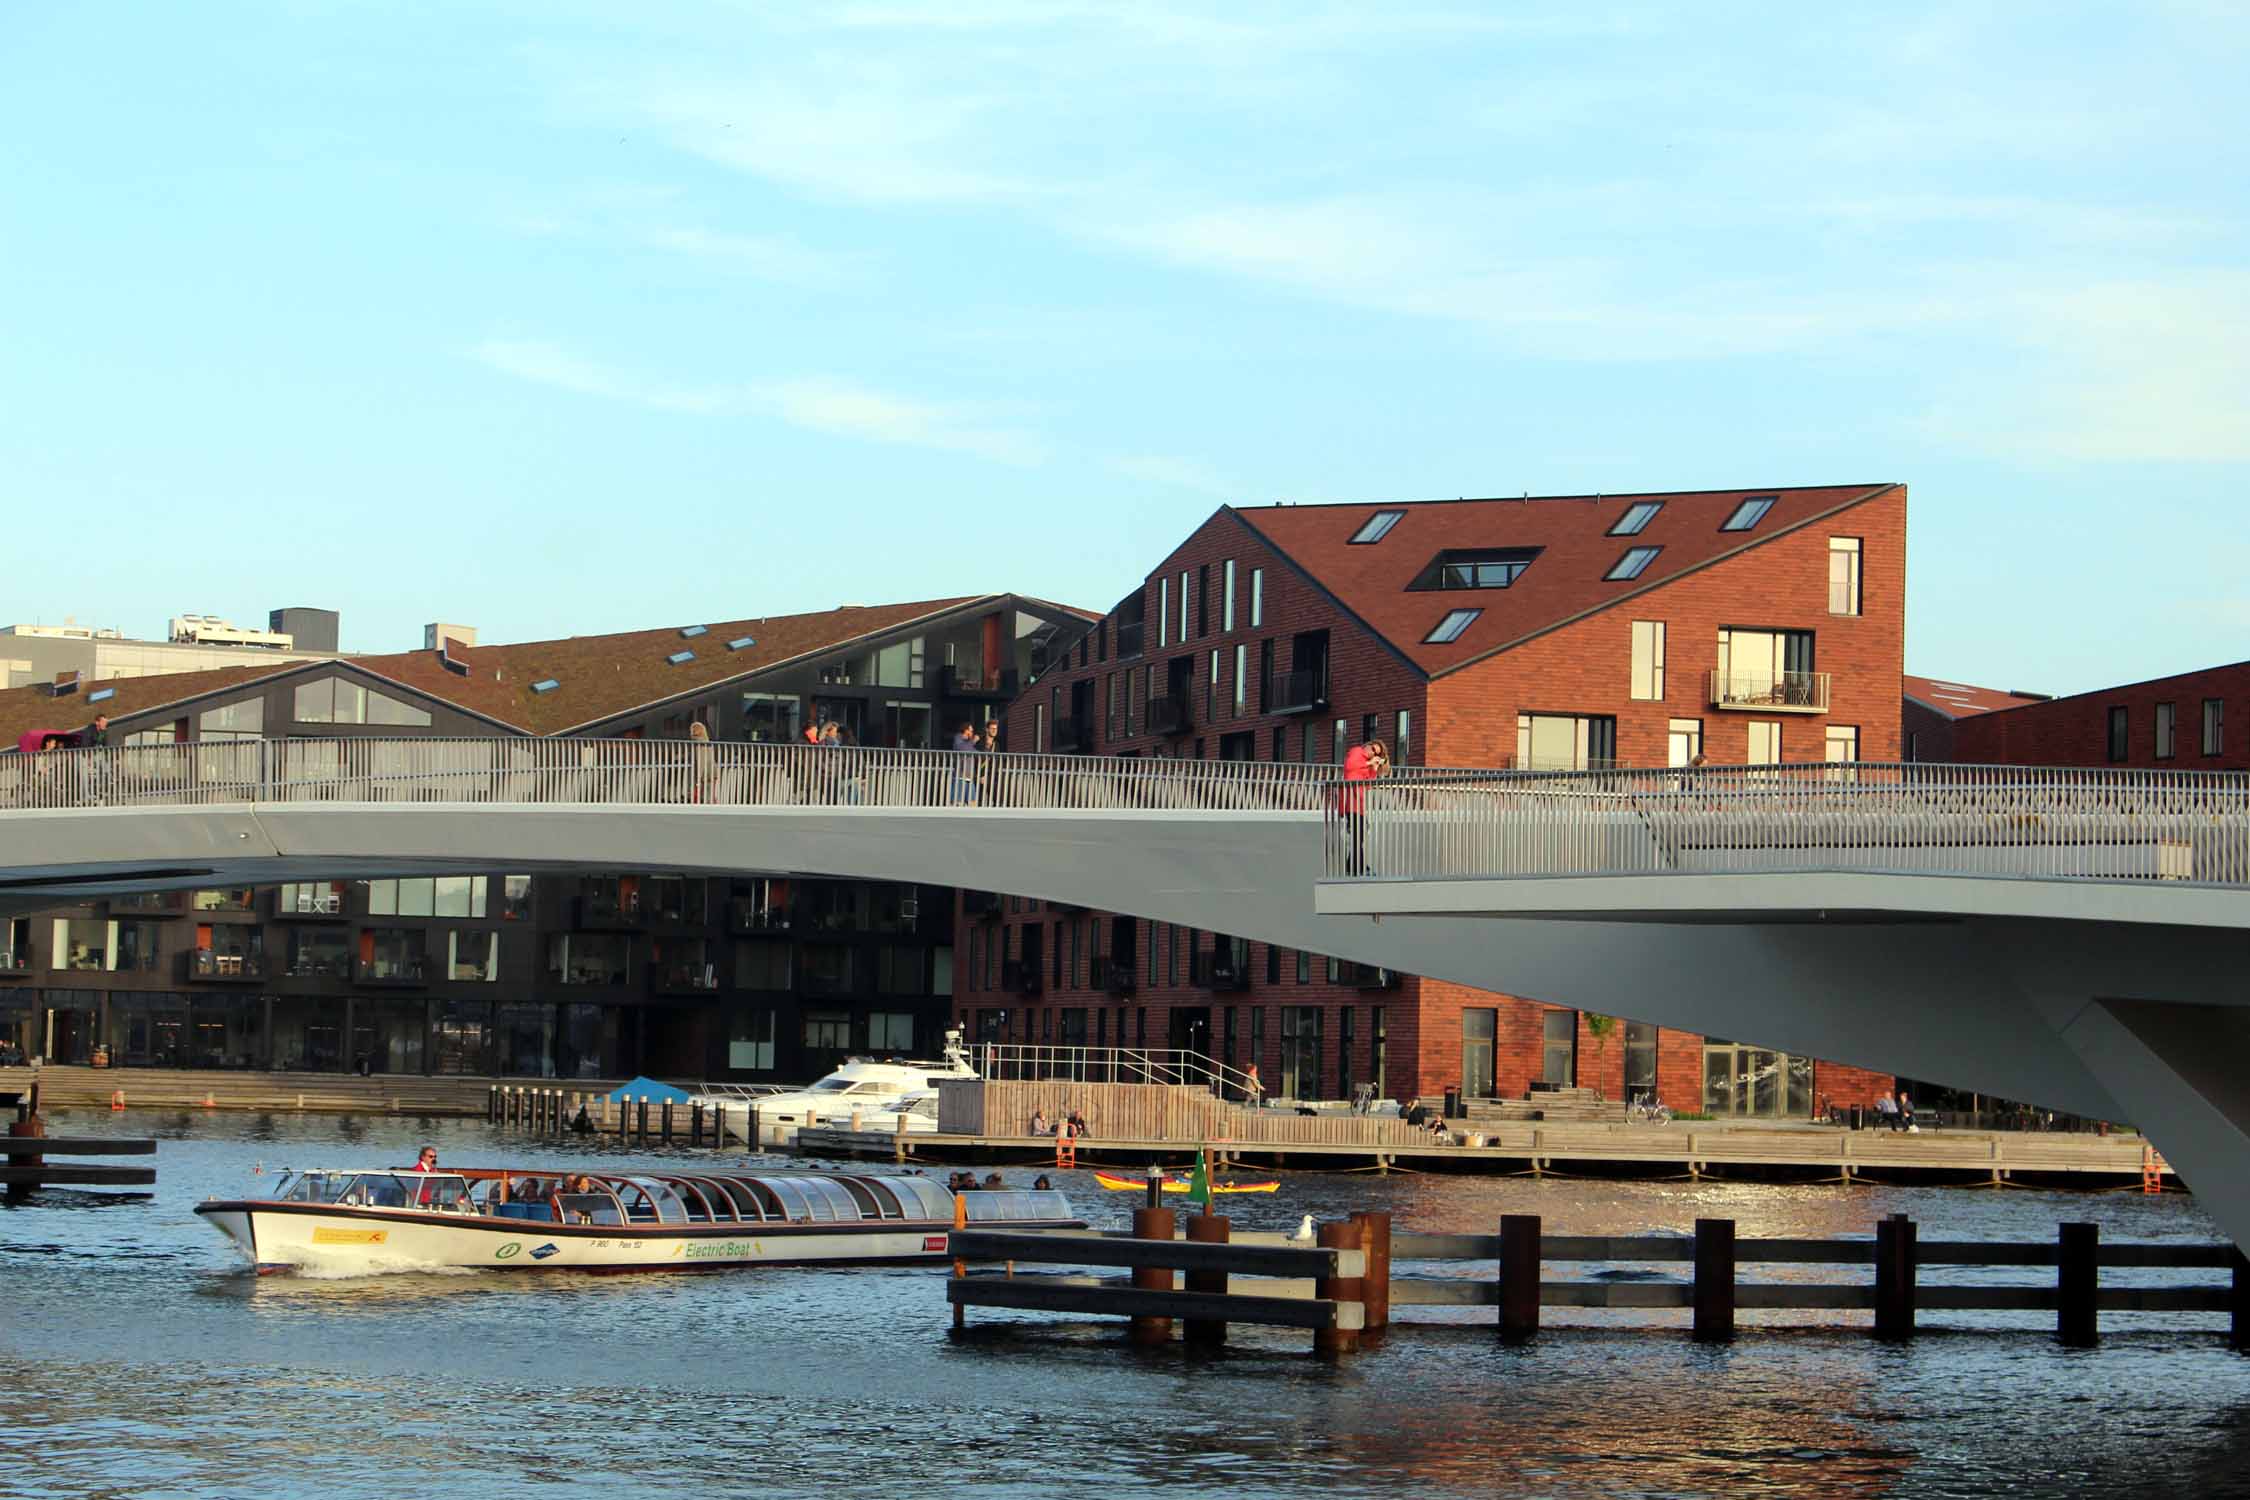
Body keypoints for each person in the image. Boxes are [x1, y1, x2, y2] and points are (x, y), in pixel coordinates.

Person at [1338, 737, 1387, 875]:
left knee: (1359, 835)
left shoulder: (1366, 762)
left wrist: (1374, 769)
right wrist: (1369, 762)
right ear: (1368, 745)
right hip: (1349, 801)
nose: (1372, 753)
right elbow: (1350, 766)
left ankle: (1352, 866)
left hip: (1358, 803)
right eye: (1373, 749)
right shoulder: (1357, 752)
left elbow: (1368, 785)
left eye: (1376, 753)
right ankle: (1359, 867)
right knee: (1358, 835)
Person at [950, 721, 981, 805]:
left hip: (970, 778)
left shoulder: (969, 743)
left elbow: (975, 752)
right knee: (957, 804)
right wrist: (973, 741)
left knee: (973, 804)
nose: (972, 733)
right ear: (965, 730)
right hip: (960, 778)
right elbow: (962, 748)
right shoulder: (958, 737)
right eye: (970, 731)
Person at [685, 721, 716, 803]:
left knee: (704, 794)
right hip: (710, 772)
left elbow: (702, 760)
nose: (692, 732)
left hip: (705, 773)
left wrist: (699, 776)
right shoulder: (706, 741)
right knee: (708, 793)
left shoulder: (700, 743)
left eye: (693, 729)